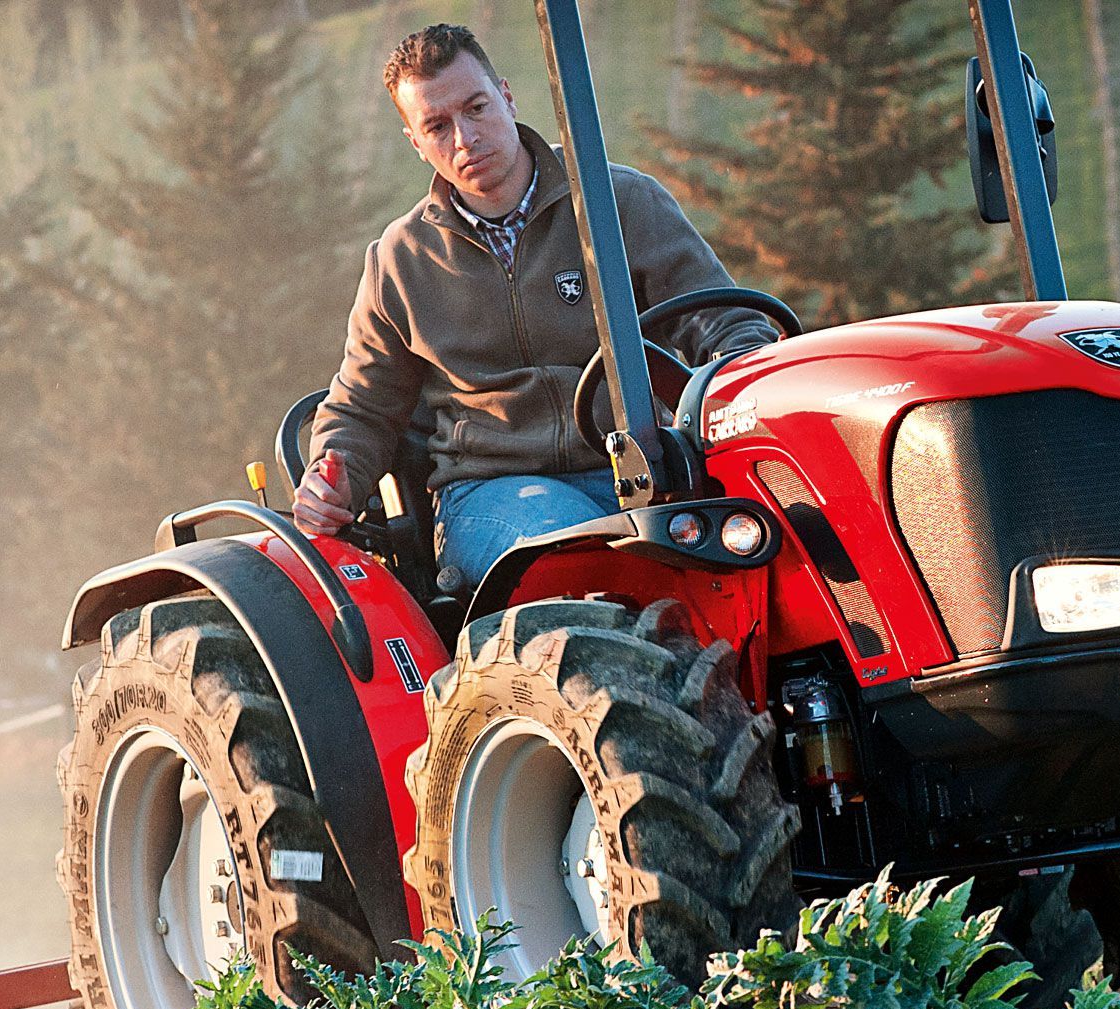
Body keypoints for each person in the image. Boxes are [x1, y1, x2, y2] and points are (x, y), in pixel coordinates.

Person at [293, 23, 779, 590]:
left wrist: (746, 399)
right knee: (583, 553)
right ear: (414, 141)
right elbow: (362, 410)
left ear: (506, 94)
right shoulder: (400, 262)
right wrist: (333, 479)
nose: (465, 138)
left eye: (476, 108)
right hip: (491, 491)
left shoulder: (617, 203)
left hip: (643, 469)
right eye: (437, 126)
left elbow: (726, 326)